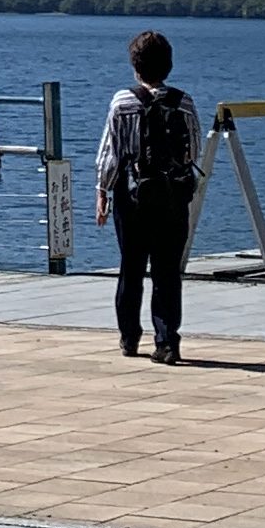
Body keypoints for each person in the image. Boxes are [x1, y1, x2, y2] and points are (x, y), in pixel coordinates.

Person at [94, 29, 201, 365]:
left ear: (135, 66)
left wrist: (102, 191)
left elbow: (111, 154)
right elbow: (194, 150)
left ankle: (129, 336)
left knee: (131, 266)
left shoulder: (122, 102)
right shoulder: (184, 102)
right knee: (167, 271)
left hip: (133, 196)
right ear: (169, 65)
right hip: (172, 196)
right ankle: (167, 341)